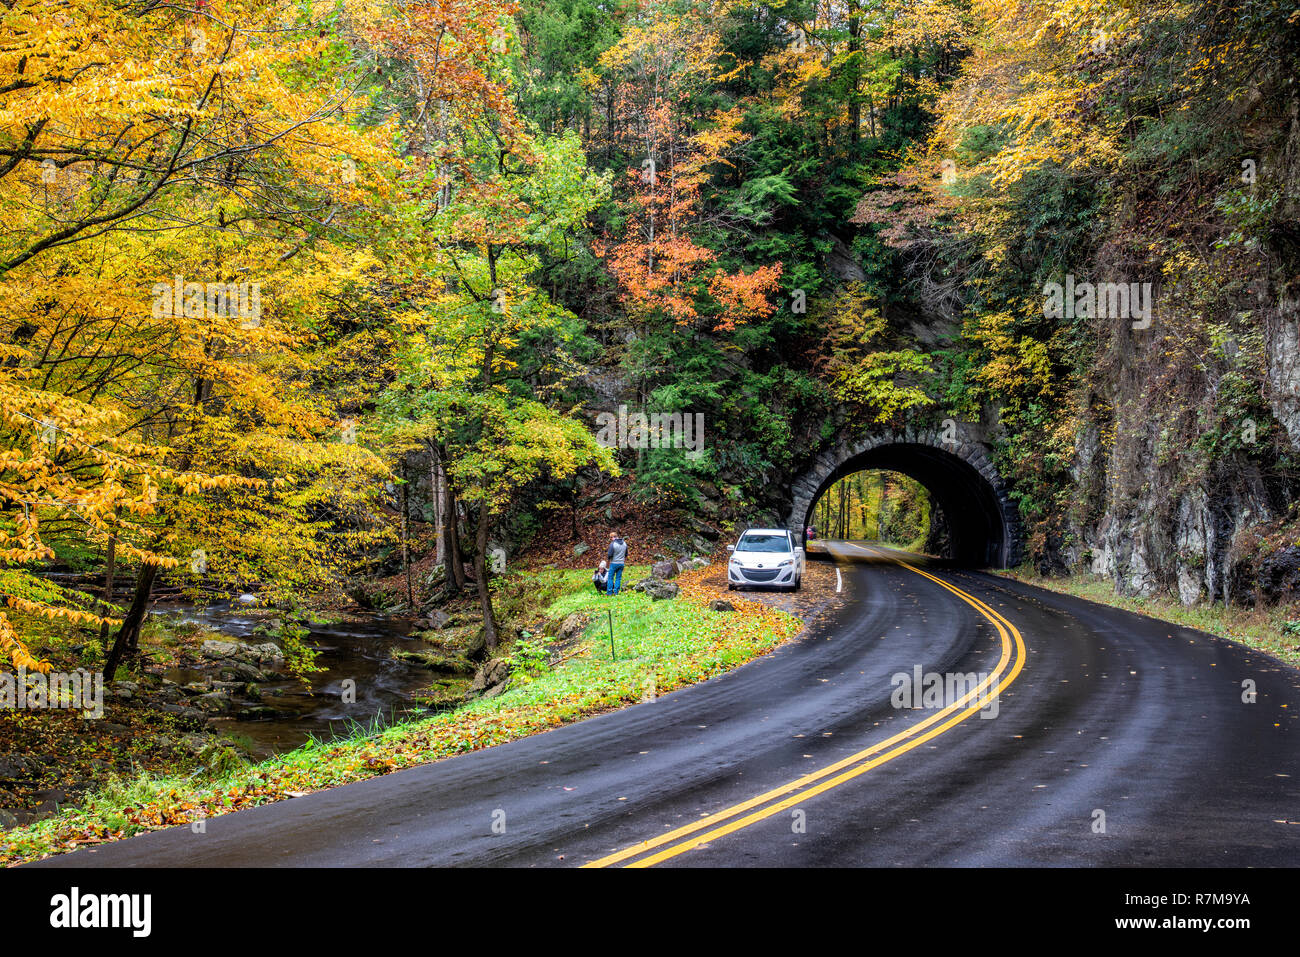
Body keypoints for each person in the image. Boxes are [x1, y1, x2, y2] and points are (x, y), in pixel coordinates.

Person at [606, 531, 628, 595]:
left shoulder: (613, 544)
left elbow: (610, 554)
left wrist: (608, 561)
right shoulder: (624, 543)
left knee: (610, 578)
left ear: (613, 537)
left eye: (611, 538)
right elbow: (626, 554)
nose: (611, 539)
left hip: (614, 563)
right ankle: (616, 592)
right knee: (618, 578)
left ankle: (609, 592)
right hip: (621, 563)